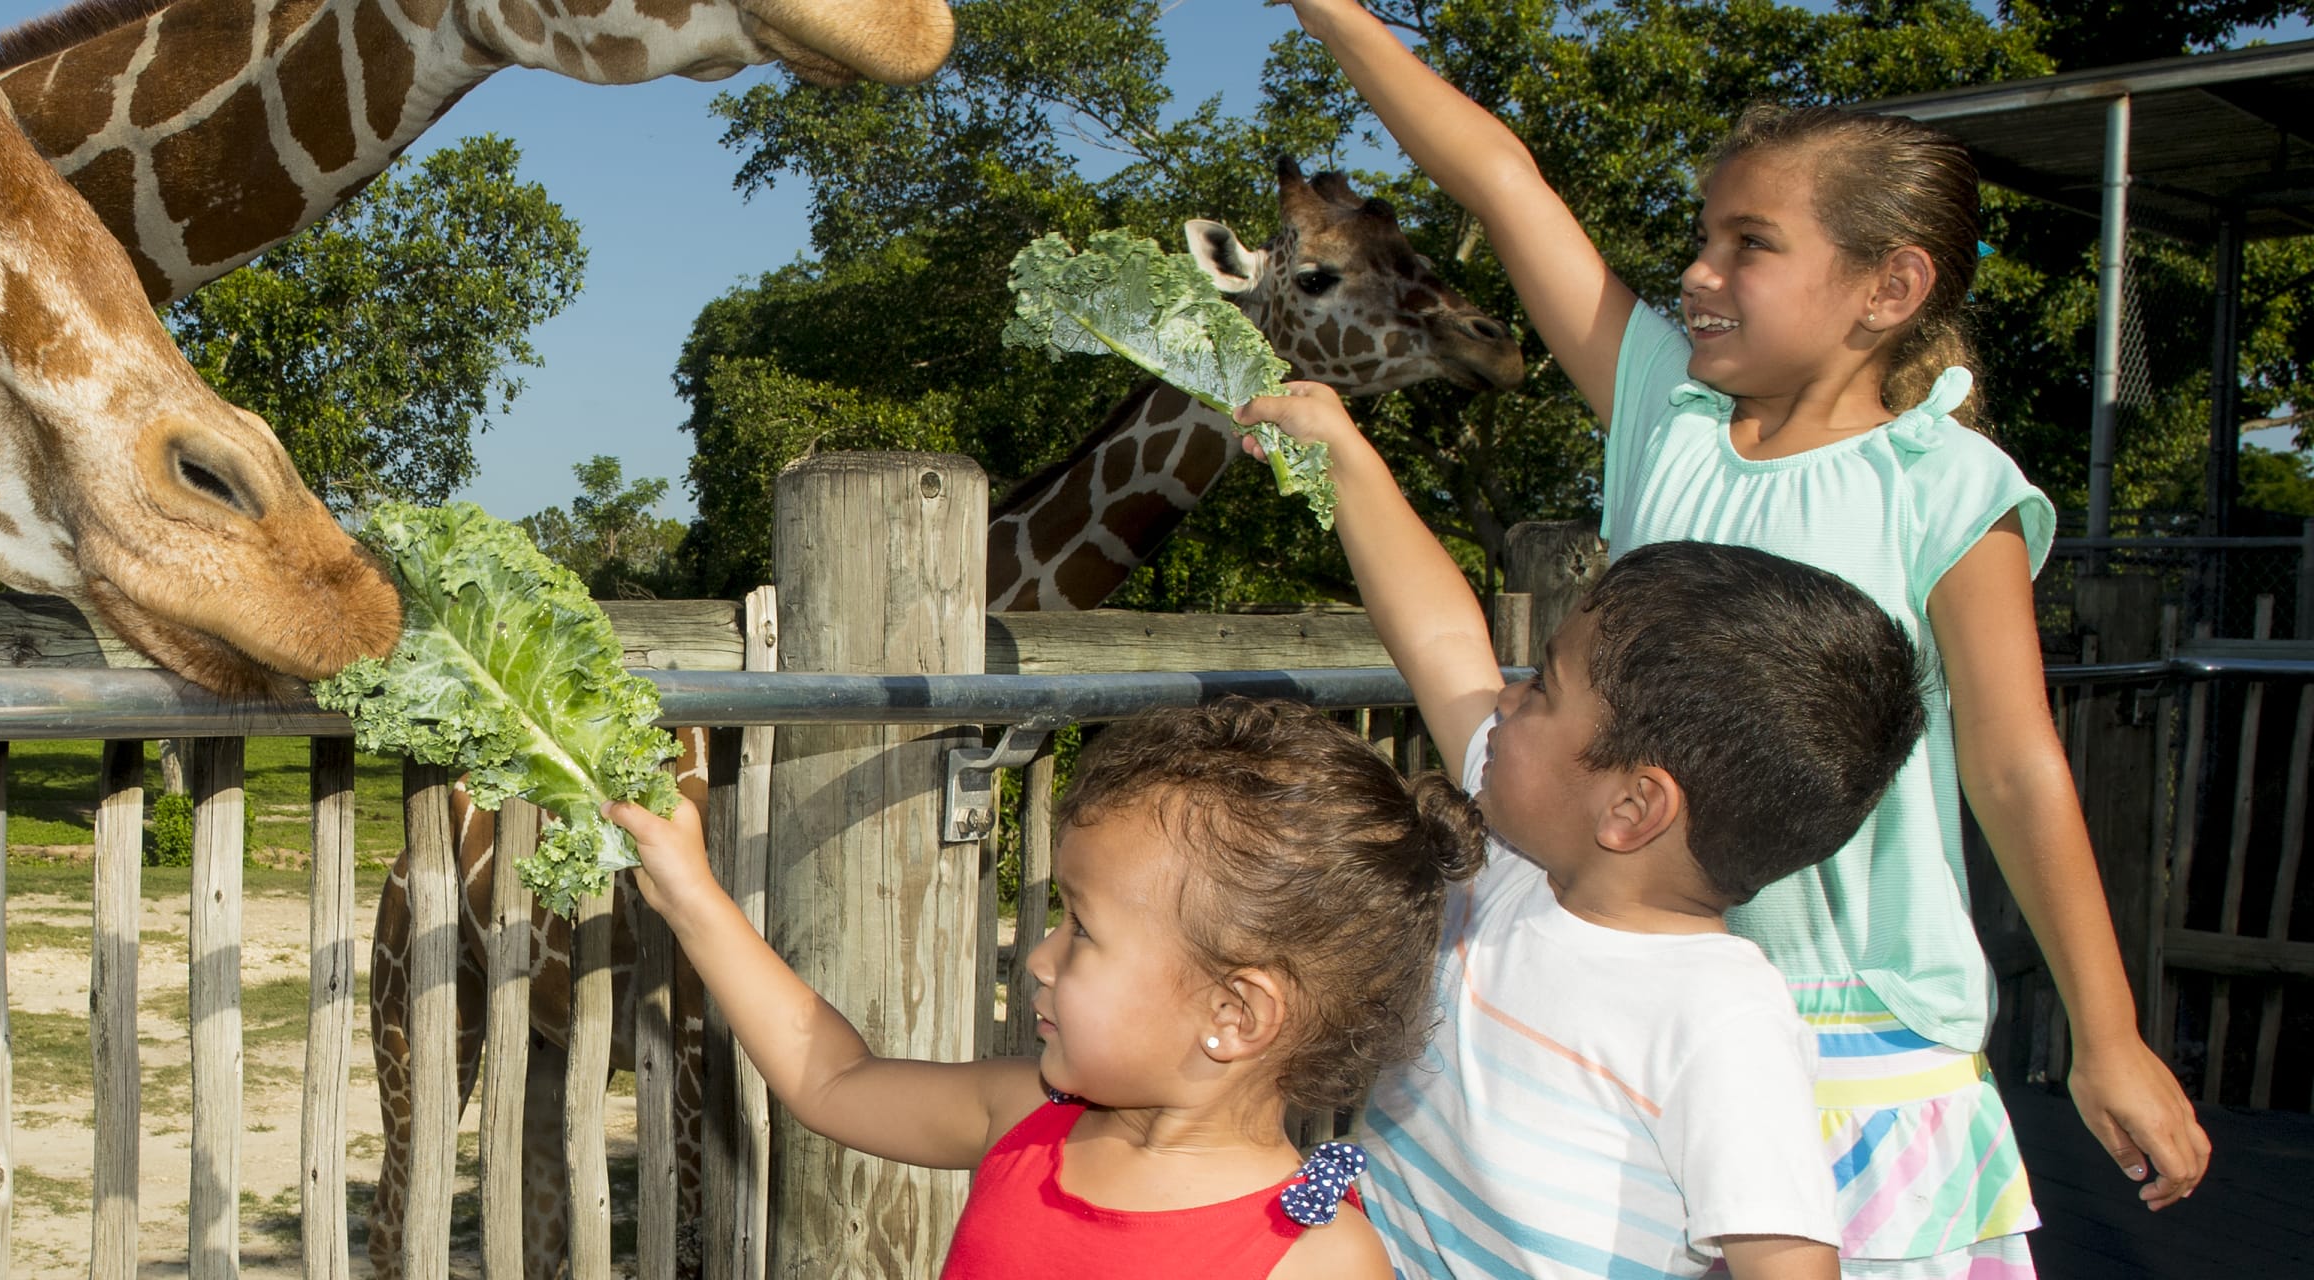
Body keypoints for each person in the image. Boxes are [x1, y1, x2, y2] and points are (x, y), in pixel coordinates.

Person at [1284, 0, 2215, 1266]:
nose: (1698, 273)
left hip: (1858, 1022)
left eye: (1749, 245)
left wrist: (2108, 1033)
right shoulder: (1664, 415)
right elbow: (1501, 178)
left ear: (1888, 287)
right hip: (1621, 961)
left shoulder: (1945, 484)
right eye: (1704, 237)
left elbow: (2011, 762)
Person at [1248, 376, 1934, 1279]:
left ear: (1631, 808)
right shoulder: (1514, 865)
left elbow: (1789, 1259)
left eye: (1541, 689)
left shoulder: (1719, 1019)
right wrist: (1341, 455)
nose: (1504, 694)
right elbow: (1439, 638)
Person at [608, 698, 1467, 1279]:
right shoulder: (1026, 1114)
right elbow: (830, 1080)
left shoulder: (1316, 1260)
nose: (1039, 960)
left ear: (1233, 1014)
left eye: (1084, 931)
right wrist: (696, 901)